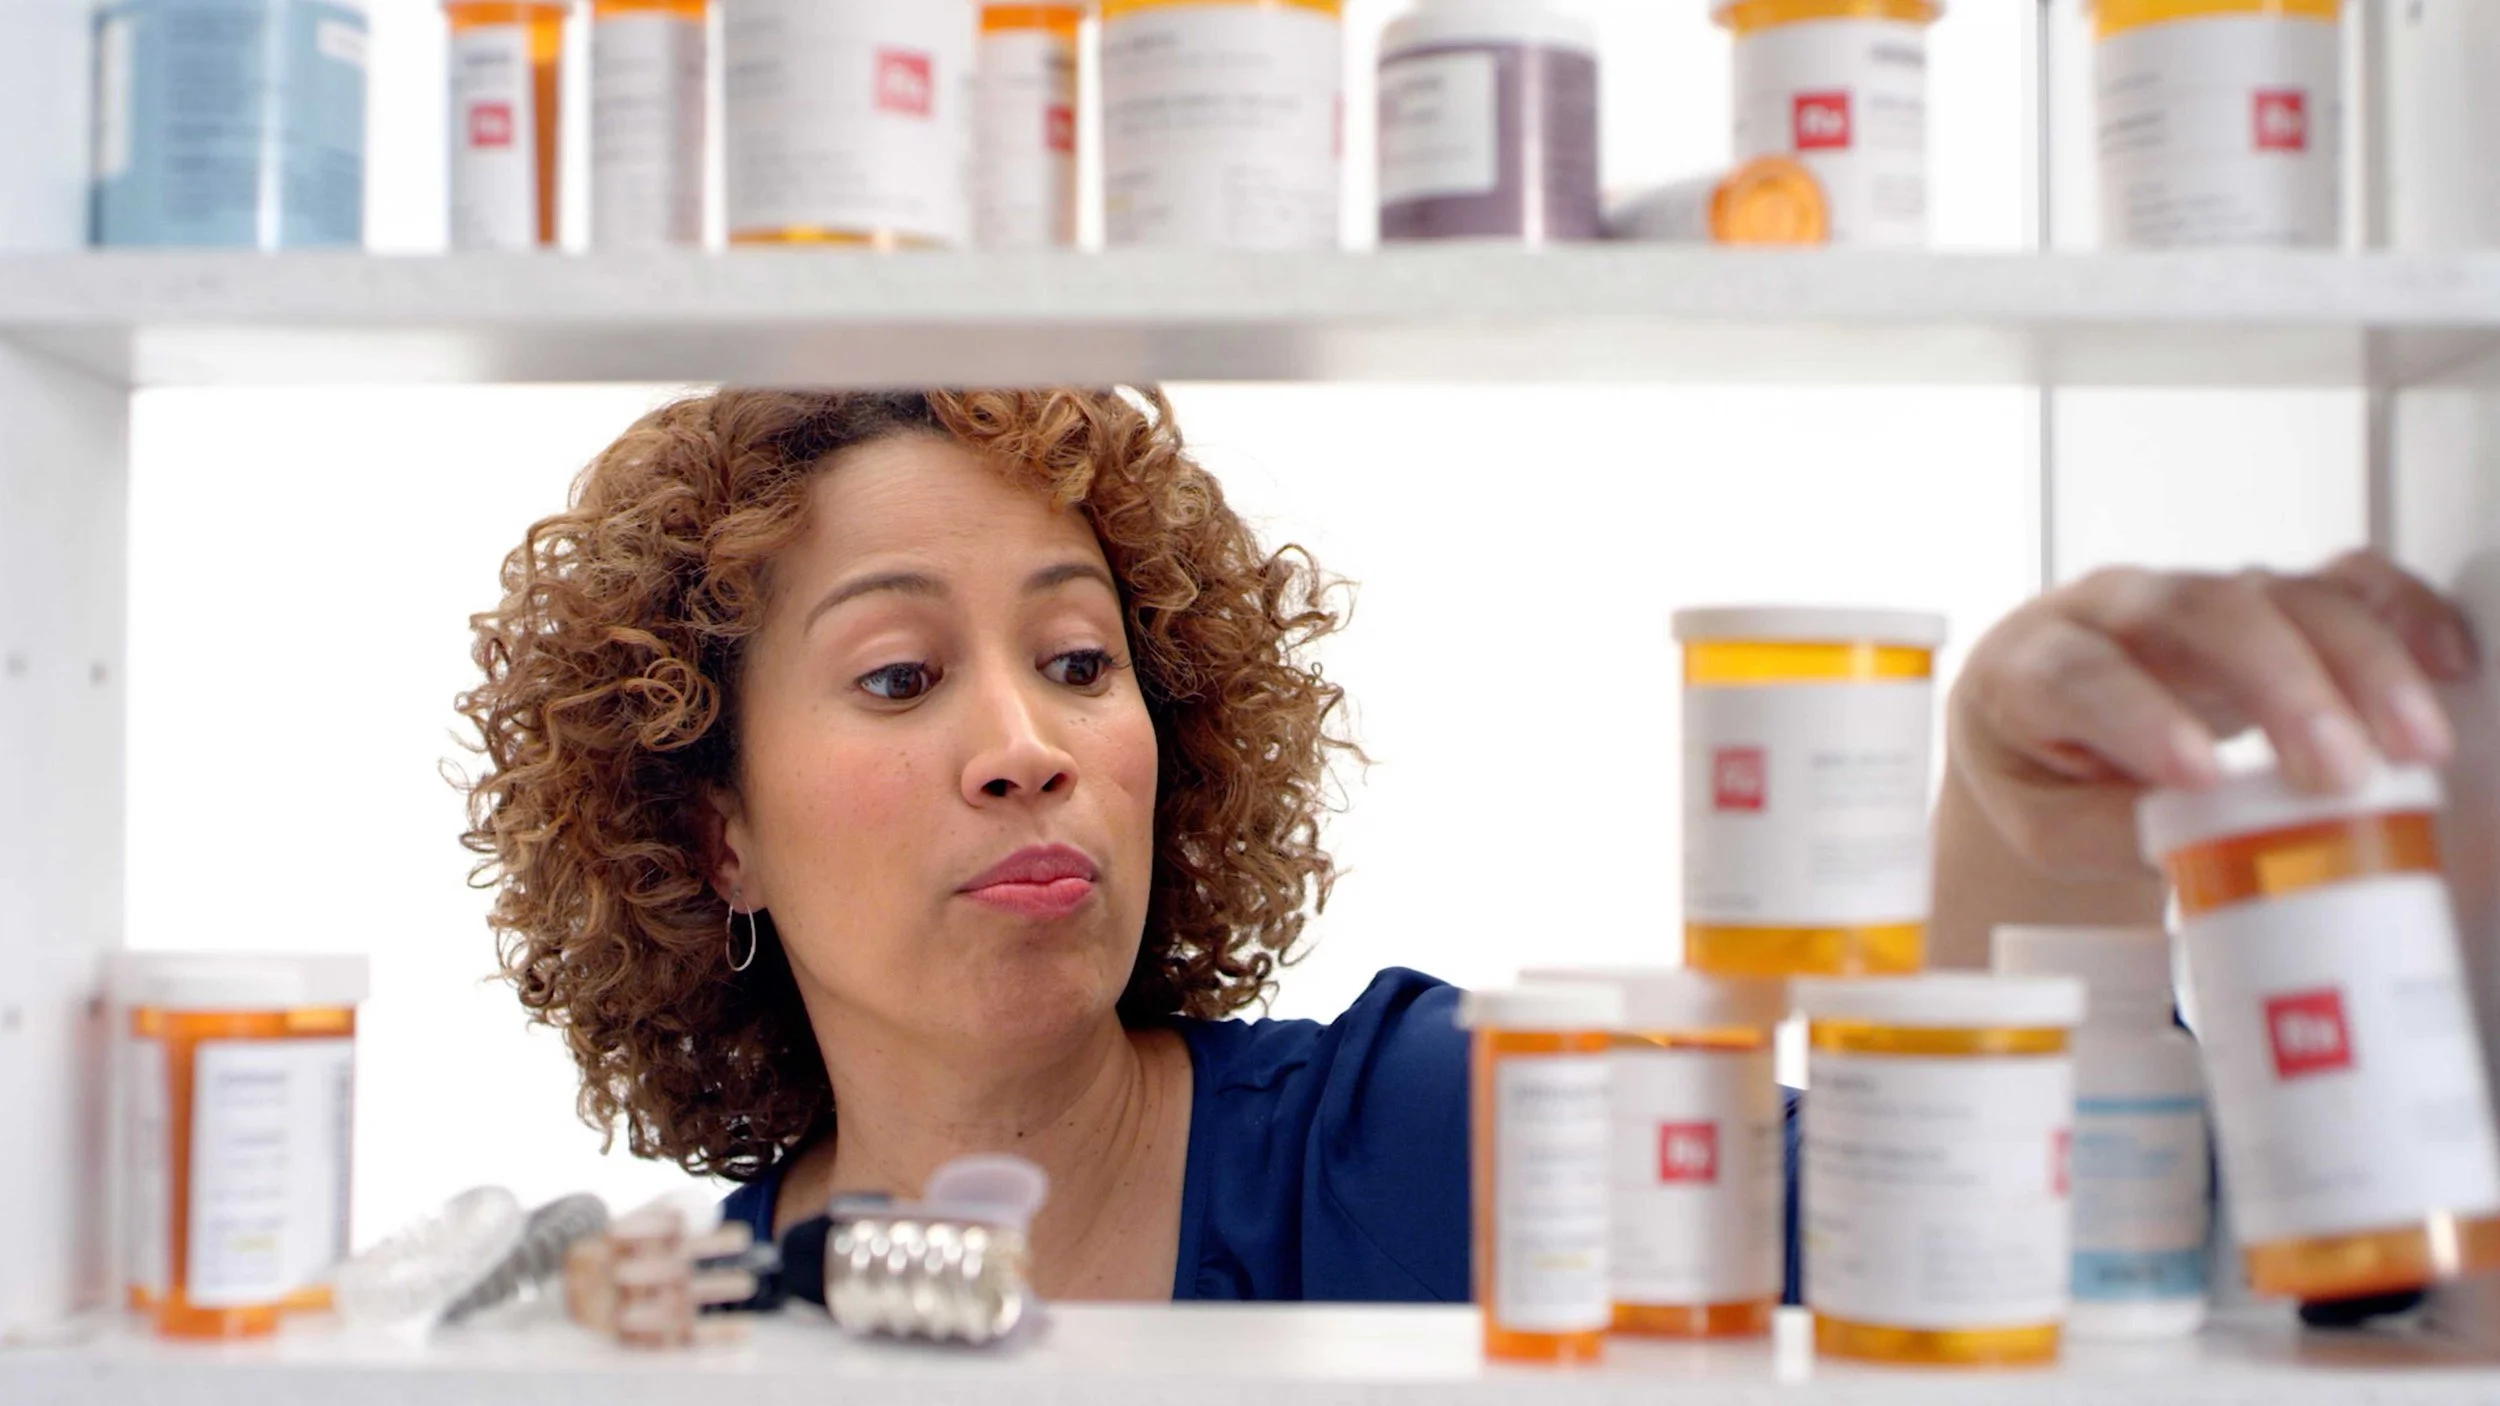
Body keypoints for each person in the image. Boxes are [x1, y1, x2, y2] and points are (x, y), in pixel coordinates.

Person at [458, 387, 2481, 1304]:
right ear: (710, 828)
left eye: (1079, 661)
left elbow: (1998, 1249)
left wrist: (2020, 818)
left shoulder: (1426, 1135)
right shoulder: (672, 1319)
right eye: (901, 678)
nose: (1028, 747)